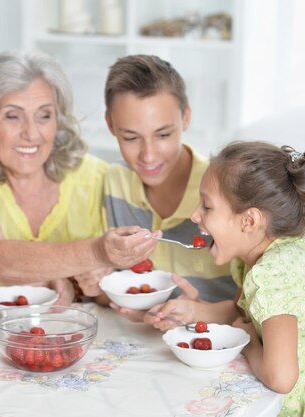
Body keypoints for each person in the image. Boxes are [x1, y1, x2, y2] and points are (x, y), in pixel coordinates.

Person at [0, 50, 159, 306]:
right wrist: (97, 253)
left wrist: (94, 282)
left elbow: (115, 293)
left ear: (58, 120)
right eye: (12, 116)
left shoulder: (96, 177)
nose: (31, 133)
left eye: (44, 116)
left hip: (69, 334)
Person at [152, 141, 305, 416]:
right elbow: (243, 312)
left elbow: (281, 378)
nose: (194, 215)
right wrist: (195, 310)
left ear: (249, 221)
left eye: (207, 206)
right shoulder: (264, 257)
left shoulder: (273, 275)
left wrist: (249, 343)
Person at [101, 54, 236, 316]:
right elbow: (113, 284)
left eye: (163, 135)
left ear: (185, 118)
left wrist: (205, 311)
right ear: (110, 125)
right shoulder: (115, 181)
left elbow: (260, 301)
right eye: (131, 137)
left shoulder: (226, 188)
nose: (148, 155)